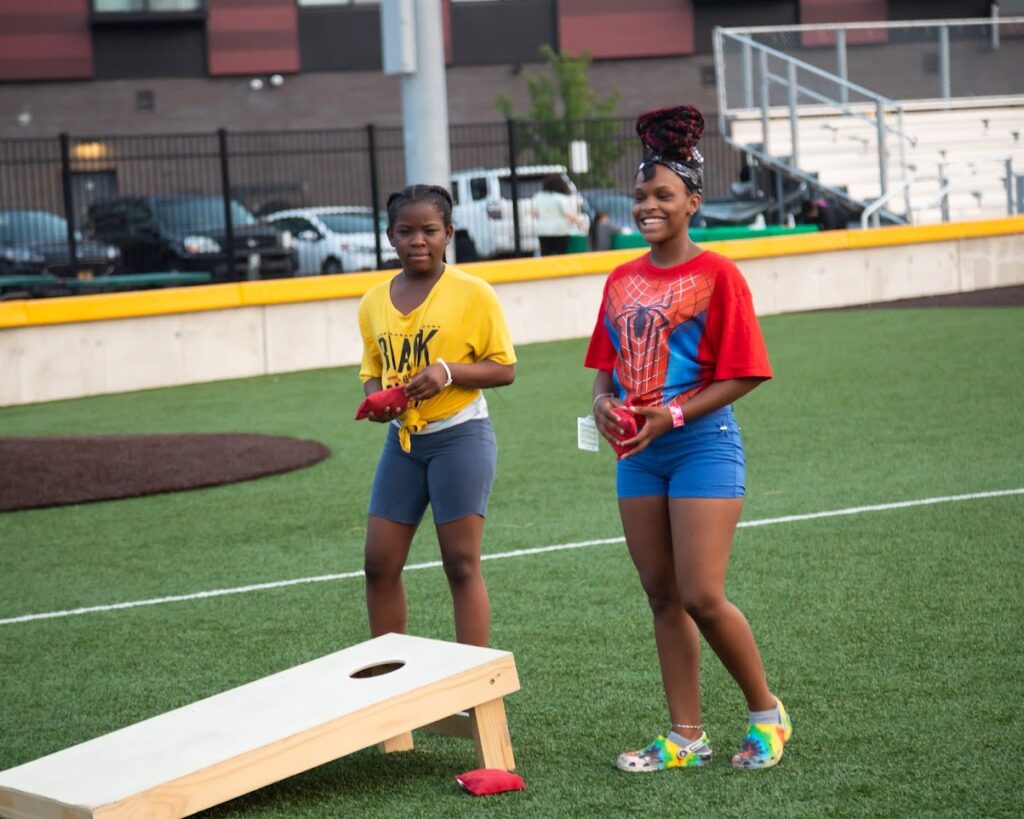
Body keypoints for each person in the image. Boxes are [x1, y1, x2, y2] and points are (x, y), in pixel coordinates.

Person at [585, 105, 792, 773]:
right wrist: (606, 407)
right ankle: (687, 735)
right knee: (661, 595)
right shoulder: (620, 278)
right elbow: (603, 372)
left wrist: (669, 417)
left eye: (663, 194)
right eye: (641, 193)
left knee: (702, 593)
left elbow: (746, 373)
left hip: (702, 445)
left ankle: (767, 712)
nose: (647, 205)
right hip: (638, 456)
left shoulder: (718, 275)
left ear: (692, 203)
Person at [357, 184, 516, 647]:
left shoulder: (472, 293)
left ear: (448, 233)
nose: (418, 240)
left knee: (461, 563)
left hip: (460, 438)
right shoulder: (372, 302)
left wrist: (448, 371)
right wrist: (377, 400)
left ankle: (471, 684)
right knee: (379, 563)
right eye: (405, 231)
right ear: (389, 236)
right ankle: (391, 680)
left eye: (429, 230)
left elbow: (504, 369)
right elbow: (372, 370)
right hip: (404, 445)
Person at [532, 173, 586, 256]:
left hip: (543, 231)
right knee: (561, 255)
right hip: (560, 231)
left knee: (545, 254)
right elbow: (568, 214)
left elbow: (534, 213)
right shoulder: (561, 198)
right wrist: (579, 222)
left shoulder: (538, 197)